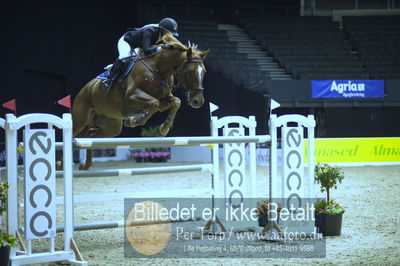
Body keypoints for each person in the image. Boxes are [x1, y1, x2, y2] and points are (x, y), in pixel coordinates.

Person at [103, 18, 180, 91]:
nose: (170, 35)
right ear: (162, 29)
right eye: (168, 32)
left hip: (140, 45)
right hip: (128, 41)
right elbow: (146, 50)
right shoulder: (149, 31)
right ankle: (109, 80)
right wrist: (162, 48)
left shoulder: (164, 35)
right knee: (125, 57)